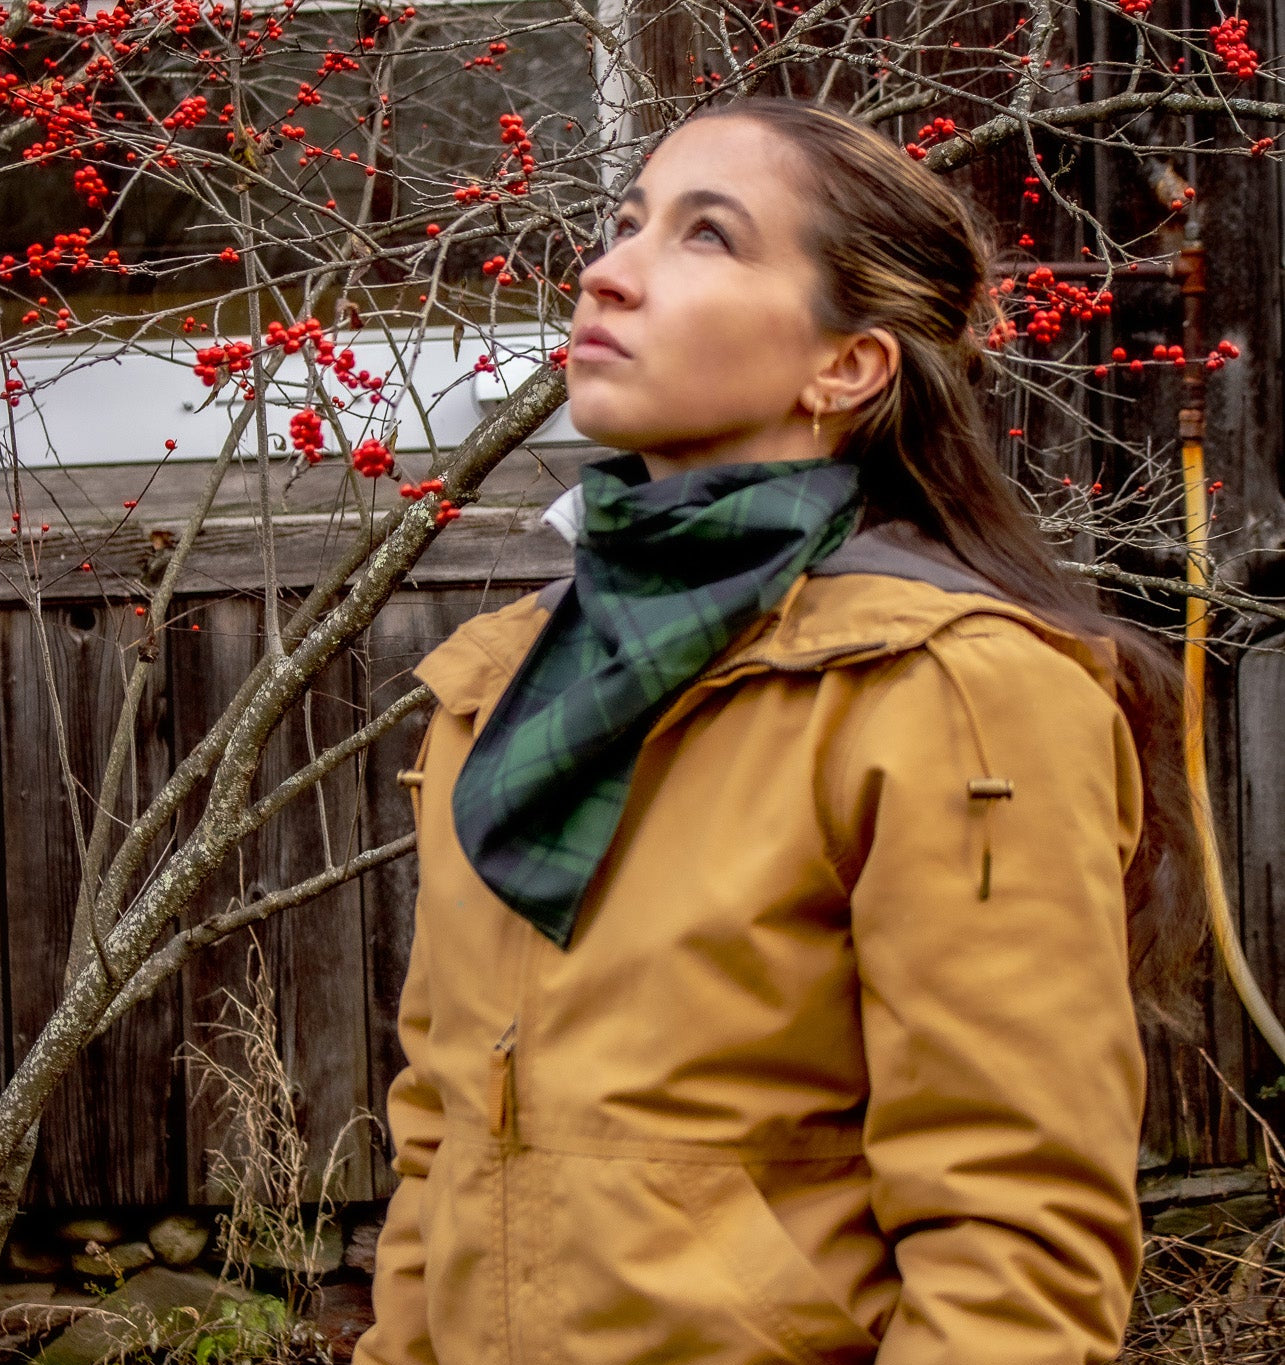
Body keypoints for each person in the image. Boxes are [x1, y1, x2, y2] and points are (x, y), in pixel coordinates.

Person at [352, 97, 1208, 1365]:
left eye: (707, 236)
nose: (607, 272)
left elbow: (1014, 1244)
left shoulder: (948, 691)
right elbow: (442, 1138)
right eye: (627, 222)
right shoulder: (511, 682)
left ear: (846, 367)